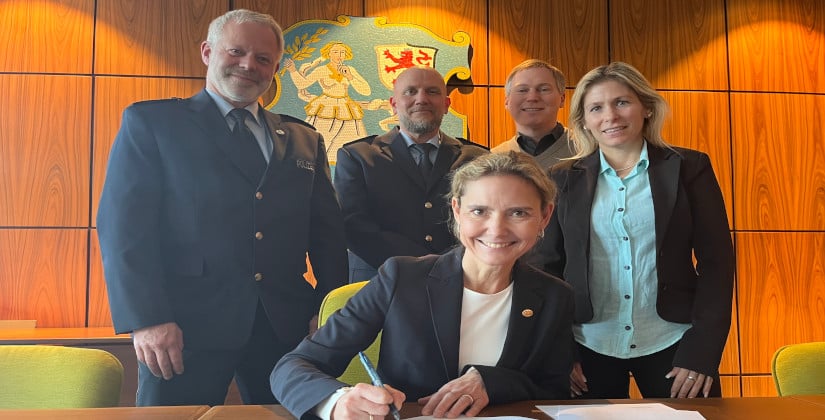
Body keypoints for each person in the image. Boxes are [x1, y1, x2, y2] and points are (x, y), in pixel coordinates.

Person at [96, 9, 348, 406]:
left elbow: (327, 236)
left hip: (286, 328)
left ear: (275, 68)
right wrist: (147, 318)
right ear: (207, 52)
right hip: (183, 327)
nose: (249, 65)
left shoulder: (303, 138)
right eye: (236, 51)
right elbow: (124, 229)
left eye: (263, 58)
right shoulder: (154, 123)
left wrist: (328, 309)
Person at [271, 151, 575, 420]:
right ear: (457, 211)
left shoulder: (555, 297)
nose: (496, 230)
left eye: (518, 213)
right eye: (479, 211)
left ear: (544, 216)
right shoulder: (401, 277)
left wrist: (491, 382)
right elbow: (294, 366)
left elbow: (554, 392)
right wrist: (336, 402)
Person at [538, 61, 735, 399]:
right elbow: (546, 270)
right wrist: (559, 352)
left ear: (646, 107)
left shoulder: (690, 167)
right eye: (596, 108)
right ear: (584, 121)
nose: (610, 116)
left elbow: (717, 264)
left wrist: (703, 352)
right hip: (586, 347)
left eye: (622, 102)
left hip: (674, 344)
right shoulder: (561, 178)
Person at [333, 66, 488, 283]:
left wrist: (445, 265)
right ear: (393, 105)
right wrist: (423, 264)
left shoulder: (477, 159)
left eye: (432, 92)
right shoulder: (357, 157)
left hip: (457, 279)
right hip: (377, 282)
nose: (421, 99)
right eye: (410, 91)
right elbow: (353, 225)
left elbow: (486, 221)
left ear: (446, 105)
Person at [283, 41, 372, 163]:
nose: (339, 55)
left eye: (342, 52)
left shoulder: (350, 70)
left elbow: (366, 91)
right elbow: (302, 84)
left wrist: (350, 76)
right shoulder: (322, 70)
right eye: (335, 52)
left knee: (349, 144)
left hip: (346, 109)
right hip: (326, 107)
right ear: (328, 54)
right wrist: (293, 71)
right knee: (321, 142)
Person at [492, 59, 574, 168]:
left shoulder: (589, 150)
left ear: (562, 99)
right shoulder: (494, 159)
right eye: (522, 90)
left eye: (544, 89)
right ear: (507, 102)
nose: (532, 98)